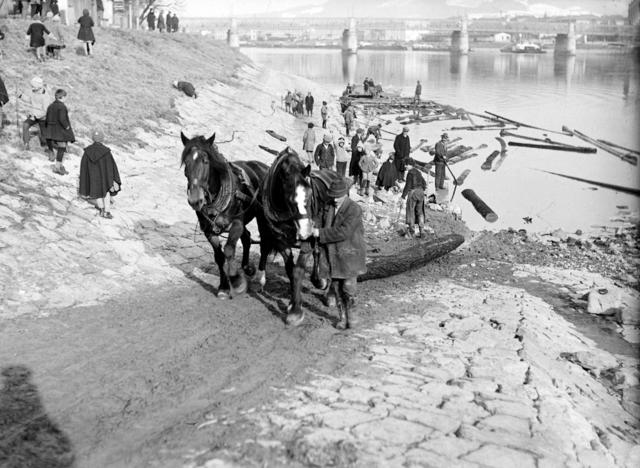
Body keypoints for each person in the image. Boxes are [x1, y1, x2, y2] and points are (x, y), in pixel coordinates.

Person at [312, 177, 366, 330]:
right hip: (332, 255)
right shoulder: (328, 205)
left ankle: (352, 317)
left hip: (349, 254)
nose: (335, 199)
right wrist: (311, 225)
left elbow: (344, 232)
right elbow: (318, 219)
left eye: (338, 196)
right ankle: (342, 317)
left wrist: (318, 233)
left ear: (346, 194)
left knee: (349, 288)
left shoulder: (354, 209)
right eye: (333, 195)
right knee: (336, 287)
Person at [79, 130, 121, 219]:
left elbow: (84, 166)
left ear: (93, 139)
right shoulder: (106, 151)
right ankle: (107, 212)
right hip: (104, 178)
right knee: (106, 193)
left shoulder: (87, 151)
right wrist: (113, 178)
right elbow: (111, 166)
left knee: (97, 192)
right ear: (102, 139)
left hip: (93, 177)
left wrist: (86, 178)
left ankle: (101, 210)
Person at [44, 88, 75, 175]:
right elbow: (62, 119)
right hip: (59, 131)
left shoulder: (50, 106)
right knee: (62, 147)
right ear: (63, 97)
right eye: (66, 97)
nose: (66, 99)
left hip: (51, 131)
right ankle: (58, 167)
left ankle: (60, 166)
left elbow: (47, 118)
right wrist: (67, 126)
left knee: (61, 148)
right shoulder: (62, 106)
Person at [18, 76, 51, 151]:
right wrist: (21, 95)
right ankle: (26, 145)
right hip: (33, 116)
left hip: (43, 118)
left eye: (33, 86)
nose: (32, 87)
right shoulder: (34, 92)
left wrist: (35, 116)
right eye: (31, 86)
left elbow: (45, 111)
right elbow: (30, 100)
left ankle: (48, 149)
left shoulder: (45, 96)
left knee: (44, 137)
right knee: (25, 125)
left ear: (38, 86)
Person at [402, 159, 427, 237]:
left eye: (406, 164)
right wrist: (422, 189)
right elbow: (424, 183)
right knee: (420, 212)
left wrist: (403, 196)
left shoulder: (410, 173)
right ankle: (422, 230)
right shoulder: (418, 172)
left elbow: (408, 185)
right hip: (421, 192)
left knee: (411, 211)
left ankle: (411, 230)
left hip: (413, 193)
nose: (405, 166)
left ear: (410, 165)